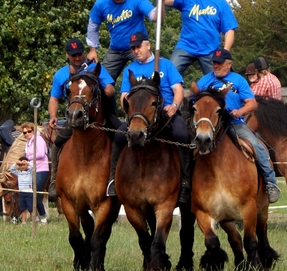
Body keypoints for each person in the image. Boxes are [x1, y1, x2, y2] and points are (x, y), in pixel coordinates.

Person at [106, 31, 192, 203]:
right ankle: (113, 179)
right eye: (133, 48)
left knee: (183, 135)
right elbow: (124, 95)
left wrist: (174, 107)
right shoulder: (130, 69)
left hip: (165, 113)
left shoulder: (165, 65)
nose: (136, 50)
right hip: (138, 116)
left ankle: (185, 181)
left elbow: (178, 90)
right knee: (118, 135)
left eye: (139, 46)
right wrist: (129, 112)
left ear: (148, 45)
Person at [196, 49, 280, 203]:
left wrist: (240, 111)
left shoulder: (239, 80)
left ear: (229, 64)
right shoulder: (204, 81)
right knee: (190, 147)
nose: (216, 65)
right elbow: (193, 102)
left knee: (256, 145)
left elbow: (252, 103)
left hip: (234, 123)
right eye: (214, 62)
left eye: (220, 63)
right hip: (208, 125)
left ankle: (270, 182)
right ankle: (186, 184)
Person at [48, 37, 119, 201]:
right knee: (57, 143)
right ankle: (53, 182)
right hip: (75, 116)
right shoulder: (61, 74)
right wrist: (53, 116)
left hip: (100, 116)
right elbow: (54, 99)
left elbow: (109, 88)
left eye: (79, 54)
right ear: (67, 55)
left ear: (84, 53)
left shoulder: (95, 68)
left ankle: (117, 180)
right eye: (73, 55)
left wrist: (105, 89)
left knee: (121, 136)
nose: (77, 57)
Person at [156, 0, 238, 76]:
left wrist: (225, 52)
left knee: (217, 82)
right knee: (169, 74)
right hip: (186, 46)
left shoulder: (220, 2)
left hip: (210, 50)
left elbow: (229, 30)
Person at [86, 0, 160, 82]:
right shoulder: (101, 3)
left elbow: (154, 16)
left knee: (146, 78)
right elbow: (93, 25)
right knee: (100, 81)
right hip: (115, 49)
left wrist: (160, 0)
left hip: (136, 47)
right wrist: (92, 49)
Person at [21, 123, 49, 224]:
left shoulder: (39, 140)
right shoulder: (28, 143)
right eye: (24, 132)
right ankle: (36, 216)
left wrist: (29, 158)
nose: (27, 134)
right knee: (31, 193)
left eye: (29, 131)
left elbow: (41, 154)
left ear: (33, 131)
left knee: (35, 193)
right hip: (32, 170)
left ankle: (43, 216)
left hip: (41, 169)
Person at [9, 156, 33, 224]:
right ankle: (24, 221)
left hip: (29, 192)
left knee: (31, 209)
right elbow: (11, 169)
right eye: (21, 165)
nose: (22, 166)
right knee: (23, 208)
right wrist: (16, 163)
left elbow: (34, 167)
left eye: (24, 165)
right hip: (21, 193)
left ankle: (33, 221)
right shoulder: (18, 172)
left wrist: (28, 162)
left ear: (27, 165)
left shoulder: (30, 172)